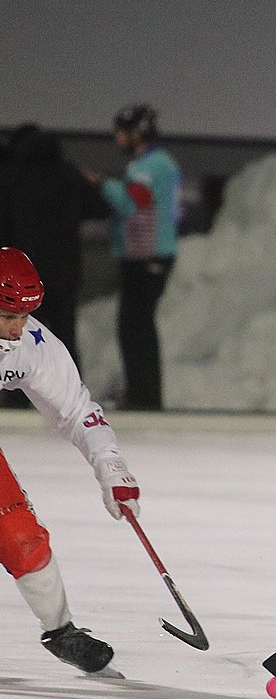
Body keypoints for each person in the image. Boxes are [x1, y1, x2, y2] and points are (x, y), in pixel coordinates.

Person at [0, 247, 142, 675]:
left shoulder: (32, 344)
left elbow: (77, 410)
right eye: (7, 315)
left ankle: (61, 631)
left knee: (18, 530)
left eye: (24, 315)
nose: (17, 328)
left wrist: (110, 465)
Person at [85, 104, 180, 411]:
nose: (118, 140)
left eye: (122, 133)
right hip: (148, 256)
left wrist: (102, 184)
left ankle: (144, 396)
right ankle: (144, 394)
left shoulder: (149, 168)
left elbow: (130, 204)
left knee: (135, 326)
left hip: (147, 258)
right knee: (137, 326)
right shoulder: (157, 164)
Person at [0, 123, 106, 367]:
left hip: (22, 277)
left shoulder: (11, 178)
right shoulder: (69, 175)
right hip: (65, 272)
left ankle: (17, 400)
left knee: (17, 338)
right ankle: (71, 397)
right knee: (64, 338)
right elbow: (100, 207)